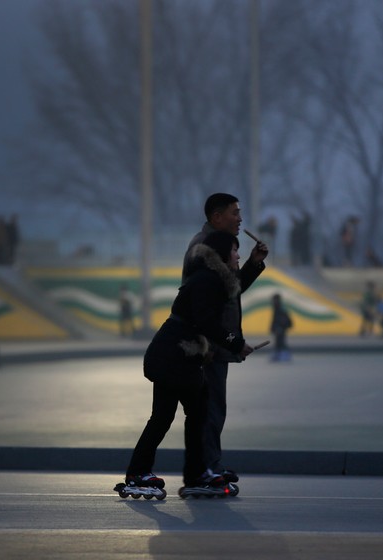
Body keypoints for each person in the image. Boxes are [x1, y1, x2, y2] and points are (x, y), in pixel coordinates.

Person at [121, 231, 254, 497]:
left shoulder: (214, 279)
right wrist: (235, 343)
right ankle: (143, 474)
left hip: (181, 355)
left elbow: (233, 288)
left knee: (196, 414)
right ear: (221, 254)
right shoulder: (207, 281)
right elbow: (206, 322)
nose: (238, 255)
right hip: (172, 355)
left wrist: (256, 263)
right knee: (168, 417)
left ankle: (193, 474)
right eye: (235, 250)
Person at [182, 193, 268, 484]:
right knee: (209, 409)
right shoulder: (203, 249)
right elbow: (200, 306)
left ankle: (208, 467)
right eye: (235, 213)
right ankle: (206, 470)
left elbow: (228, 290)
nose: (240, 219)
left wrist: (254, 264)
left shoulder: (216, 247)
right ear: (216, 217)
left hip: (216, 343)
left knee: (212, 408)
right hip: (209, 346)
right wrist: (219, 342)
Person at [269, 293, 293, 362]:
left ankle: (284, 355)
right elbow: (274, 319)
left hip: (280, 329)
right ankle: (279, 355)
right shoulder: (276, 308)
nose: (273, 302)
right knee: (278, 342)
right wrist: (272, 327)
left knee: (281, 342)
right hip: (279, 329)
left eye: (274, 300)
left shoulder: (280, 309)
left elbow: (279, 319)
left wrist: (279, 327)